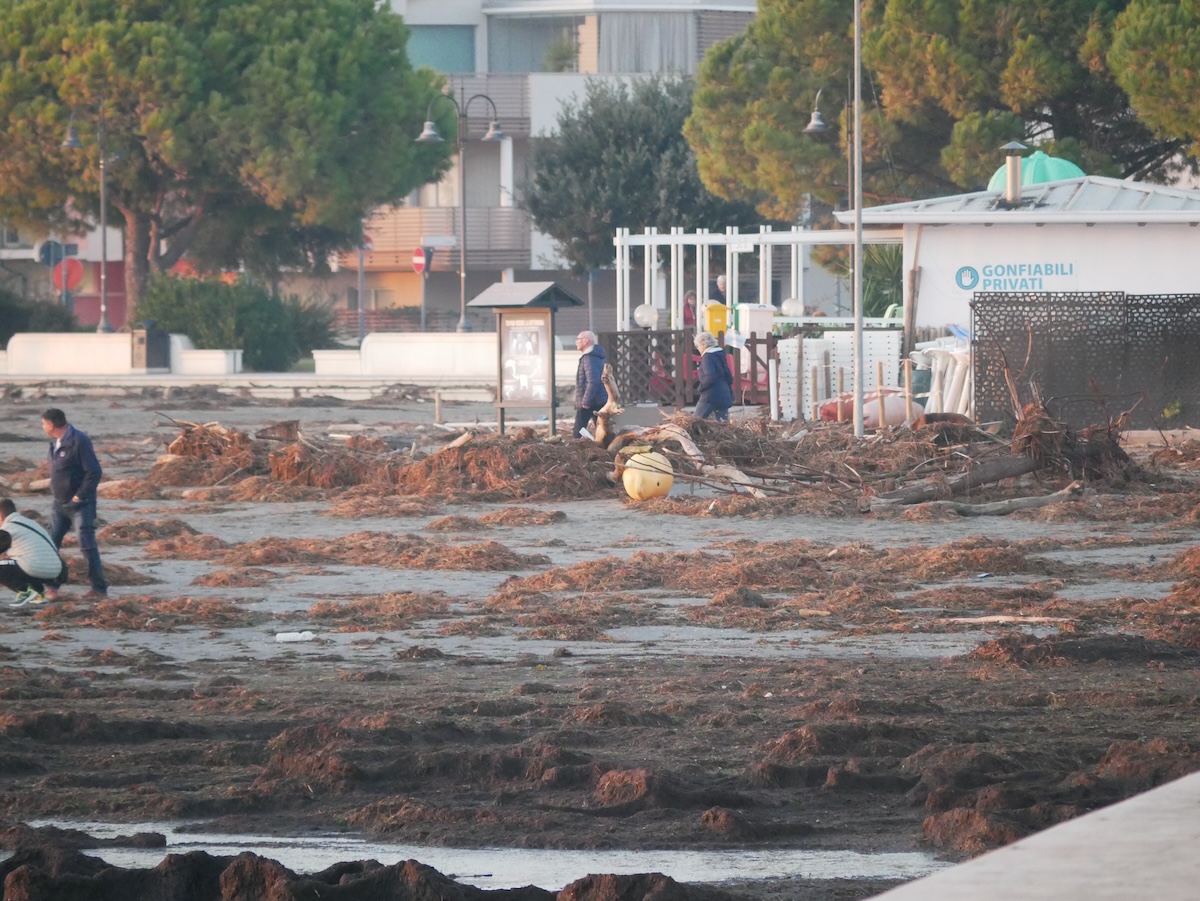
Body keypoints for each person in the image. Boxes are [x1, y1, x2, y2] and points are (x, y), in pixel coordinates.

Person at [41, 408, 108, 600]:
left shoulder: (79, 440)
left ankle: (99, 589)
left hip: (80, 505)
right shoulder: (55, 443)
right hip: (59, 504)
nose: (43, 427)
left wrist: (79, 496)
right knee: (50, 544)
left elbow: (94, 471)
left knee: (87, 546)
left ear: (51, 424)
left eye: (44, 424)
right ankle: (52, 586)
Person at [0, 499, 65, 607]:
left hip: (37, 567)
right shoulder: (29, 523)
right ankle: (39, 594)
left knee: (9, 564)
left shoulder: (9, 528)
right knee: (21, 561)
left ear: (1, 515)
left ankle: (25, 591)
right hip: (56, 570)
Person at [693, 331, 734, 422]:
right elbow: (729, 377)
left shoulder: (708, 357)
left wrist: (701, 388)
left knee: (695, 421)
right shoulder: (720, 356)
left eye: (698, 346)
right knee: (723, 426)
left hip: (710, 396)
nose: (698, 349)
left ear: (703, 344)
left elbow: (710, 375)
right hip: (724, 395)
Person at [573, 330, 607, 438]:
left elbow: (593, 381)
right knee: (602, 431)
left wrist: (585, 401)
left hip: (590, 402)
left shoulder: (589, 358)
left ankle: (577, 453)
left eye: (578, 339)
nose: (576, 342)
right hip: (599, 401)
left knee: (578, 432)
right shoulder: (596, 356)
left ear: (586, 341)